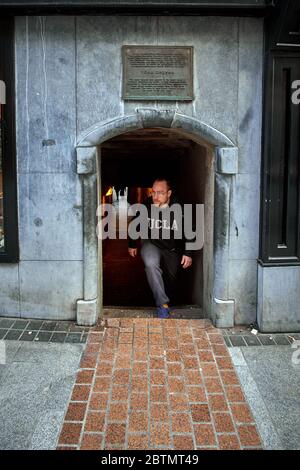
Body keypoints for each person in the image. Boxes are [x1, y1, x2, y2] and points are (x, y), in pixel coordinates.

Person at [128, 178, 193, 319]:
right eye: (154, 192)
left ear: (169, 193)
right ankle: (162, 305)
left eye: (161, 193)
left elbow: (190, 230)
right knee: (151, 265)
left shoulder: (179, 207)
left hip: (172, 248)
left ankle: (168, 298)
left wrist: (188, 253)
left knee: (172, 279)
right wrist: (132, 243)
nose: (156, 197)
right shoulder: (147, 204)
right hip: (152, 243)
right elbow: (135, 224)